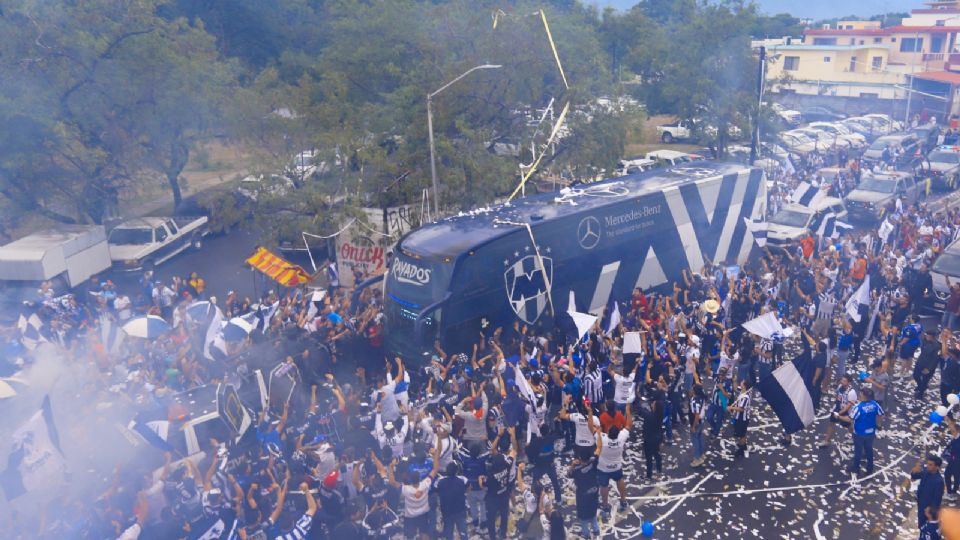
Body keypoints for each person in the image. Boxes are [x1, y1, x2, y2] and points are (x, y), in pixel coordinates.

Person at [598, 403, 632, 514]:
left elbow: (593, 429)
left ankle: (605, 504)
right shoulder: (621, 438)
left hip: (604, 468)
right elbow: (628, 425)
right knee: (620, 480)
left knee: (604, 486)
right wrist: (628, 411)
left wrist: (589, 413)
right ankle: (623, 500)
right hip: (616, 466)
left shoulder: (603, 440)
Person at [569, 427, 603, 539]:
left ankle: (587, 535)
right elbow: (599, 448)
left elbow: (568, 474)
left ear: (579, 457)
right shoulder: (593, 462)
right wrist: (598, 434)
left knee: (583, 519)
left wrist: (573, 464)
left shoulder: (577, 471)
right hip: (593, 494)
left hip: (583, 498)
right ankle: (596, 530)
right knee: (593, 515)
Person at [841, 387, 884, 475]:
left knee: (858, 451)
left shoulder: (859, 407)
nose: (859, 395)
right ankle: (870, 468)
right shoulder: (875, 404)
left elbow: (850, 419)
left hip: (859, 433)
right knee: (869, 449)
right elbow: (881, 414)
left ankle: (855, 467)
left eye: (860, 394)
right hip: (871, 432)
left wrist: (838, 416)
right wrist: (878, 424)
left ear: (864, 396)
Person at [819, 375, 857, 448]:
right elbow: (837, 396)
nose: (842, 382)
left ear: (849, 383)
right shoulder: (840, 387)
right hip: (837, 408)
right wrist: (835, 407)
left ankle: (854, 437)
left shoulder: (852, 392)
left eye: (844, 381)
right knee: (831, 423)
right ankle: (826, 441)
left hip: (845, 412)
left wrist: (839, 414)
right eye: (842, 380)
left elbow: (848, 406)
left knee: (848, 426)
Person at [913, 454, 946, 529]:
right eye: (927, 464)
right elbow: (914, 476)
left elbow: (937, 499)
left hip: (927, 510)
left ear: (937, 467)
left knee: (924, 526)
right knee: (920, 525)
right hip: (921, 504)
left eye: (930, 465)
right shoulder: (926, 472)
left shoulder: (939, 481)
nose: (927, 466)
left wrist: (930, 512)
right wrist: (915, 470)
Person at [729, 379, 752, 457]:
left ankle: (741, 449)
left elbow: (741, 409)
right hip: (740, 417)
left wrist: (731, 408)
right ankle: (743, 445)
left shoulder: (746, 397)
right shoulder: (743, 391)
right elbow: (735, 388)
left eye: (742, 383)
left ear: (744, 386)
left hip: (742, 418)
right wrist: (734, 381)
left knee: (741, 433)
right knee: (742, 432)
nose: (740, 383)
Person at [689, 383, 707, 467]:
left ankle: (697, 459)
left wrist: (693, 426)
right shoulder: (702, 398)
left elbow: (696, 414)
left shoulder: (694, 400)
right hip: (701, 421)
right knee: (699, 438)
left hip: (696, 422)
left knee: (695, 440)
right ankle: (701, 454)